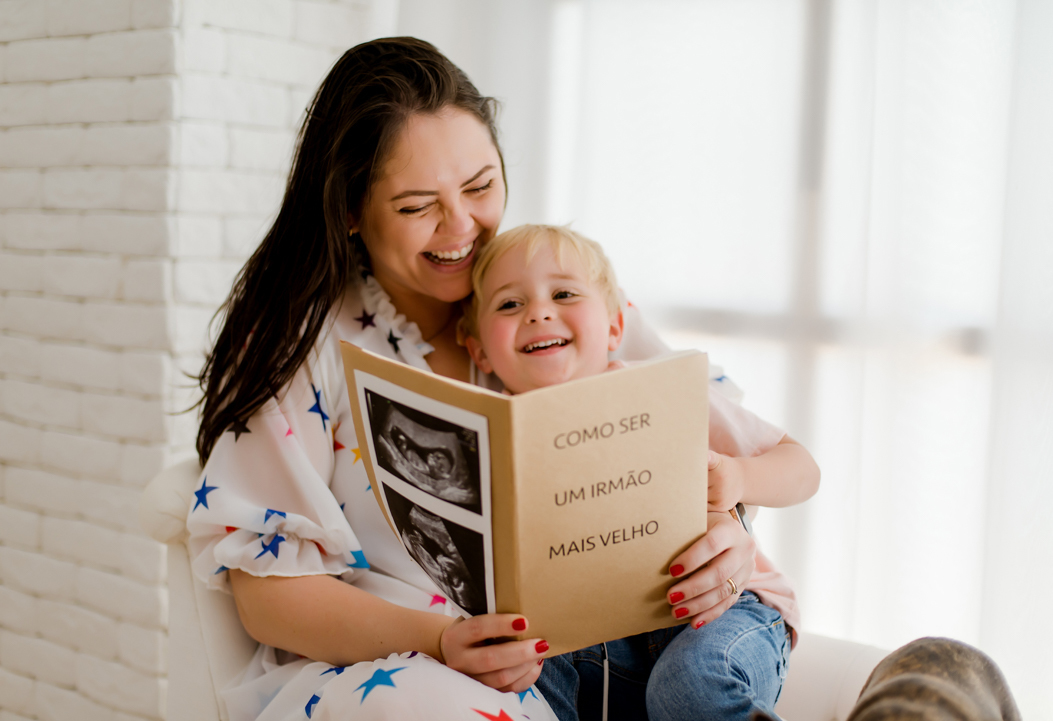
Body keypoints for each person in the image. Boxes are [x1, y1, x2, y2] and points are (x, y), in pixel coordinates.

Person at [187, 38, 818, 721]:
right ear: (349, 211)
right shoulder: (307, 343)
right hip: (418, 666)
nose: (463, 228)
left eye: (482, 187)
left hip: (605, 642)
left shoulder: (545, 283)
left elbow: (693, 433)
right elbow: (266, 595)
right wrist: (440, 638)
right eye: (415, 206)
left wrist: (727, 531)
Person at [460, 224, 817, 720]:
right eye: (509, 304)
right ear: (478, 350)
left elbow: (802, 466)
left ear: (613, 327)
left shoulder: (657, 389)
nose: (539, 312)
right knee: (523, 679)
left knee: (688, 686)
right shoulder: (484, 437)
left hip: (718, 612)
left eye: (564, 293)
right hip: (584, 641)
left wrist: (738, 475)